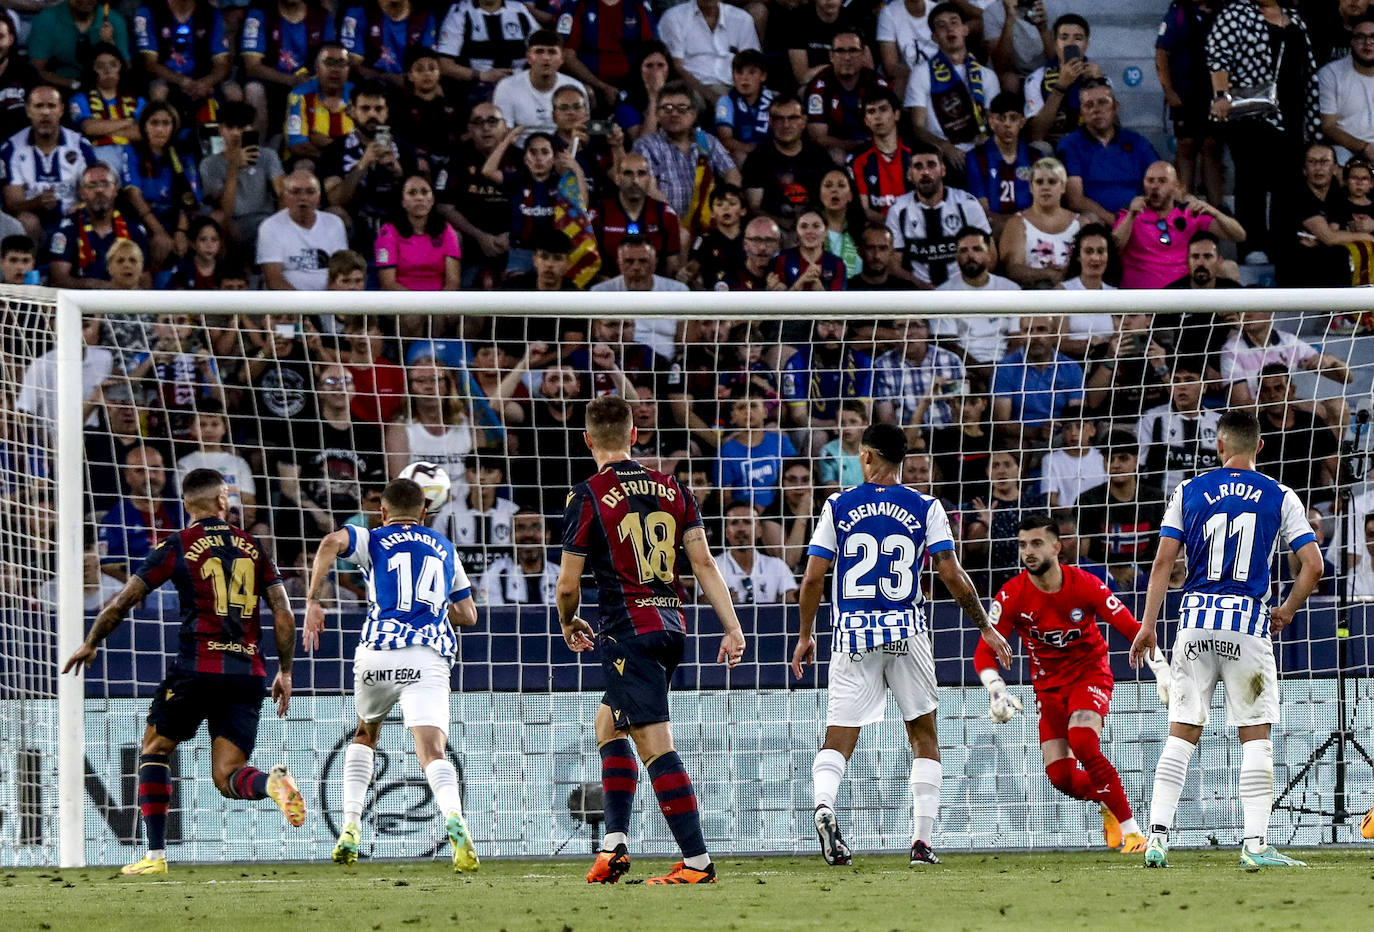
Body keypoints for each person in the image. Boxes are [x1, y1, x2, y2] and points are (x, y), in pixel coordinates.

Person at [62, 467, 305, 876]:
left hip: (197, 667)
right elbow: (283, 613)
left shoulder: (177, 545)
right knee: (228, 776)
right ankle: (272, 784)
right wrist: (285, 670)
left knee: (155, 749)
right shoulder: (253, 547)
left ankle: (155, 856)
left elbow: (124, 600)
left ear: (186, 503)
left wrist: (91, 642)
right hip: (248, 673)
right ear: (222, 501)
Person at [792, 422, 1013, 867]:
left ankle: (824, 806)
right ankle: (921, 843)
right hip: (906, 631)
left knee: (839, 737)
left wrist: (805, 635)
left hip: (852, 634)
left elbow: (814, 577)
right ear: (903, 460)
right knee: (924, 736)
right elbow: (950, 573)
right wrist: (985, 626)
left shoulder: (837, 505)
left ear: (868, 457)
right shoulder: (926, 506)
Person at [558, 394, 746, 884]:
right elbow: (703, 562)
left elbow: (567, 584)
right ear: (634, 435)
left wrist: (567, 621)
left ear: (587, 440)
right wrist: (731, 625)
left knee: (653, 743)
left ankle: (698, 862)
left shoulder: (588, 495)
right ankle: (614, 845)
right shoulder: (673, 487)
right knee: (608, 724)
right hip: (670, 628)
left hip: (627, 633)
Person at [1131, 409, 1323, 868]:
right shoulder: (1281, 496)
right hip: (1248, 631)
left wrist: (1147, 625)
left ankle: (1157, 837)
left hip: (1194, 626)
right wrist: (1286, 611)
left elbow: (1162, 564)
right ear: (1260, 446)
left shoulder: (1189, 490)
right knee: (1255, 736)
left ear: (1218, 446)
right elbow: (1313, 565)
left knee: (1181, 731)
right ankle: (1255, 845)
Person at [303, 476, 481, 871]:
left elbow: (330, 542)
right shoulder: (445, 547)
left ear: (381, 512)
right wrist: (434, 606)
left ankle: (350, 824)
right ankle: (455, 818)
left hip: (379, 652)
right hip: (428, 655)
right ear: (424, 513)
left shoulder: (374, 537)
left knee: (366, 732)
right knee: (432, 750)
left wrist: (314, 599)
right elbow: (469, 614)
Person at [977, 514, 1170, 854]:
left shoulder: (1085, 584)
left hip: (1089, 674)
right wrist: (996, 690)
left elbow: (1132, 628)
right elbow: (983, 653)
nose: (1028, 552)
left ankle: (1134, 834)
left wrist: (1163, 671)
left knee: (1082, 741)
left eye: (1036, 543)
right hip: (1048, 689)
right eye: (1023, 545)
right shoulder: (1011, 596)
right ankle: (1109, 802)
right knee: (1060, 778)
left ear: (1056, 546)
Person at [1206, 0, 1320, 265]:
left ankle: (1283, 244)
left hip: (1292, 113)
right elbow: (1217, 55)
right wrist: (1221, 95)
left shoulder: (1295, 18)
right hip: (1251, 113)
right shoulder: (1236, 13)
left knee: (1289, 181)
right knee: (1251, 179)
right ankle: (1252, 246)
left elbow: (1306, 65)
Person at [1113, 160, 1245, 289]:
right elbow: (1113, 249)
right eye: (1150, 181)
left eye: (1162, 181)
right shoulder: (1130, 214)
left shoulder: (1190, 214)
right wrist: (1131, 216)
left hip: (1182, 299)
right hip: (1141, 301)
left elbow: (1239, 236)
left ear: (1176, 186)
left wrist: (1214, 212)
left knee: (1228, 267)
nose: (1154, 186)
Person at [905, 2, 1000, 174]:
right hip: (943, 155)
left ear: (965, 30)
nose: (949, 29)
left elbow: (993, 123)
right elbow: (917, 128)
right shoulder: (921, 73)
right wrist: (945, 147)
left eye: (954, 22)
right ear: (934, 37)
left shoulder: (987, 76)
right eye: (941, 26)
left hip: (980, 151)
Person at [2, 85, 98, 243]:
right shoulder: (12, 148)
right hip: (33, 224)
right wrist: (36, 203)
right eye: (39, 106)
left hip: (72, 220)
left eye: (51, 106)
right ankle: (27, 266)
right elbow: (12, 204)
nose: (45, 112)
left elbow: (94, 190)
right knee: (26, 221)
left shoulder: (80, 145)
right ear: (28, 111)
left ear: (61, 110)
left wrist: (81, 206)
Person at [886, 142, 991, 286]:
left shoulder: (967, 204)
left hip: (963, 290)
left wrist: (960, 286)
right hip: (917, 293)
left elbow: (990, 255)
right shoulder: (898, 210)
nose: (925, 172)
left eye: (931, 165)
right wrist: (923, 288)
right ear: (909, 174)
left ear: (943, 170)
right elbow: (893, 264)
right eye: (918, 167)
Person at [1058, 80, 1158, 225]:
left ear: (1115, 107)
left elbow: (1161, 178)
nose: (1096, 110)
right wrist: (1117, 222)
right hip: (1096, 223)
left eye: (1102, 102)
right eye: (1089, 105)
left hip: (1139, 217)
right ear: (1081, 112)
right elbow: (1075, 200)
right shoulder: (1070, 144)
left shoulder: (1136, 141)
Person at [1156, 0, 1226, 205]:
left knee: (1212, 148)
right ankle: (1181, 209)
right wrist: (1168, 90)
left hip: (1215, 94)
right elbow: (1161, 52)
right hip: (1185, 93)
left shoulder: (1224, 11)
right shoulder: (1178, 13)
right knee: (1186, 147)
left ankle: (1216, 212)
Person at [49, 162, 151, 289]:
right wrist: (102, 287)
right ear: (82, 193)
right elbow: (58, 279)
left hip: (123, 304)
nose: (99, 190)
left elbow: (145, 279)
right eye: (91, 185)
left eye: (105, 184)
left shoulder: (134, 230)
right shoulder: (67, 229)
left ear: (115, 190)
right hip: (81, 304)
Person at [201, 100, 285, 253]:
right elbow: (225, 210)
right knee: (218, 219)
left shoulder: (268, 156)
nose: (235, 133)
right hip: (234, 223)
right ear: (220, 129)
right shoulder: (209, 164)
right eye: (229, 127)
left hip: (266, 219)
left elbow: (283, 194)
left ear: (251, 128)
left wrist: (279, 223)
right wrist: (233, 168)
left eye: (240, 127)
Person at [1136, 356, 1222, 498]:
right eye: (1176, 381)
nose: (1182, 386)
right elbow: (1137, 467)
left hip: (1210, 505)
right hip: (1162, 504)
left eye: (1189, 380)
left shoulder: (1220, 423)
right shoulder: (1152, 419)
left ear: (1204, 387)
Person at [805, 31, 891, 163]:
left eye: (853, 50)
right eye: (840, 51)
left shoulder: (876, 83)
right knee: (836, 155)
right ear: (831, 56)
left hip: (875, 145)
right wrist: (857, 145)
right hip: (840, 148)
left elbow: (891, 127)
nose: (847, 57)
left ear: (863, 55)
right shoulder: (819, 87)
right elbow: (818, 137)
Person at [256, 170, 349, 290]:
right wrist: (304, 307)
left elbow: (342, 272)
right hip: (287, 305)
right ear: (285, 196)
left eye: (310, 192)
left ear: (319, 197)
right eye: (296, 192)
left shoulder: (334, 223)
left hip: (328, 303)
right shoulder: (270, 227)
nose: (303, 197)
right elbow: (274, 279)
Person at [999, 156, 1082, 288]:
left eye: (1052, 182)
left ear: (1063, 187)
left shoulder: (1081, 223)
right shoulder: (1017, 223)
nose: (1045, 187)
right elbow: (1013, 269)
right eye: (1039, 182)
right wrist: (1049, 274)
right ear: (1031, 188)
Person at [658, 0, 760, 105]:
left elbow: (752, 63)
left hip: (734, 87)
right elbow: (677, 66)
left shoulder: (742, 19)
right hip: (692, 87)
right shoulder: (674, 17)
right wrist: (711, 95)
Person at [1025, 14, 1101, 148]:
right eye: (1064, 38)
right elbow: (1036, 134)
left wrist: (1099, 85)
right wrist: (1061, 86)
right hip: (1053, 149)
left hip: (1087, 148)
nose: (1070, 43)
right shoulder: (1036, 79)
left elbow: (1112, 129)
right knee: (1039, 147)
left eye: (1078, 38)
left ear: (1087, 44)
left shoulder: (1098, 76)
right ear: (1055, 44)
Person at [967, 91, 1035, 239]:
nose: (1007, 124)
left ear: (1022, 121)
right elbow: (982, 211)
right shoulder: (976, 157)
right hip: (995, 229)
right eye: (1001, 118)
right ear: (991, 122)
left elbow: (1041, 205)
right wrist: (1015, 226)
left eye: (1013, 118)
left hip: (1031, 228)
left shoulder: (1035, 157)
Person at [491, 31, 585, 139]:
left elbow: (581, 132)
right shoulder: (506, 87)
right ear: (529, 58)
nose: (546, 58)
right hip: (520, 152)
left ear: (562, 58)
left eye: (552, 52)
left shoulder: (576, 88)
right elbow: (504, 136)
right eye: (539, 52)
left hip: (563, 151)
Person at [376, 173, 462, 290]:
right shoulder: (388, 232)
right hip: (401, 304)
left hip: (439, 304)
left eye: (425, 192)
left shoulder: (447, 230)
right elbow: (388, 283)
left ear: (432, 200)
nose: (419, 198)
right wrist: (419, 306)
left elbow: (453, 282)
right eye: (412, 193)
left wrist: (437, 306)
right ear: (402, 202)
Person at [717, 501, 798, 604]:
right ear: (726, 532)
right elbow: (703, 602)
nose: (741, 529)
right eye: (734, 522)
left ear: (759, 531)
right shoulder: (714, 567)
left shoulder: (777, 566)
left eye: (747, 522)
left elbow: (791, 602)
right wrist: (720, 603)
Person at [1319, 13, 1374, 163]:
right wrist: (1366, 148)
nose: (1367, 43)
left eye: (1372, 37)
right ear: (1351, 41)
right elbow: (1329, 126)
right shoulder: (1330, 73)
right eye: (1360, 37)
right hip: (1346, 149)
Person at [477, 509, 558, 606]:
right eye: (520, 528)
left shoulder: (560, 575)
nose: (529, 534)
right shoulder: (494, 575)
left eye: (536, 527)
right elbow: (490, 618)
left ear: (547, 536)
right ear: (511, 536)